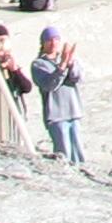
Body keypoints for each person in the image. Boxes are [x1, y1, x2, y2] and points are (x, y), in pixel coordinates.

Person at [30, 26, 84, 165]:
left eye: (56, 39)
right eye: (49, 40)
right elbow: (50, 85)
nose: (53, 43)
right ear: (43, 43)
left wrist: (70, 64)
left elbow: (77, 78)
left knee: (78, 151)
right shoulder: (38, 64)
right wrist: (62, 66)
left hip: (73, 111)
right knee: (63, 152)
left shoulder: (67, 59)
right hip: (56, 116)